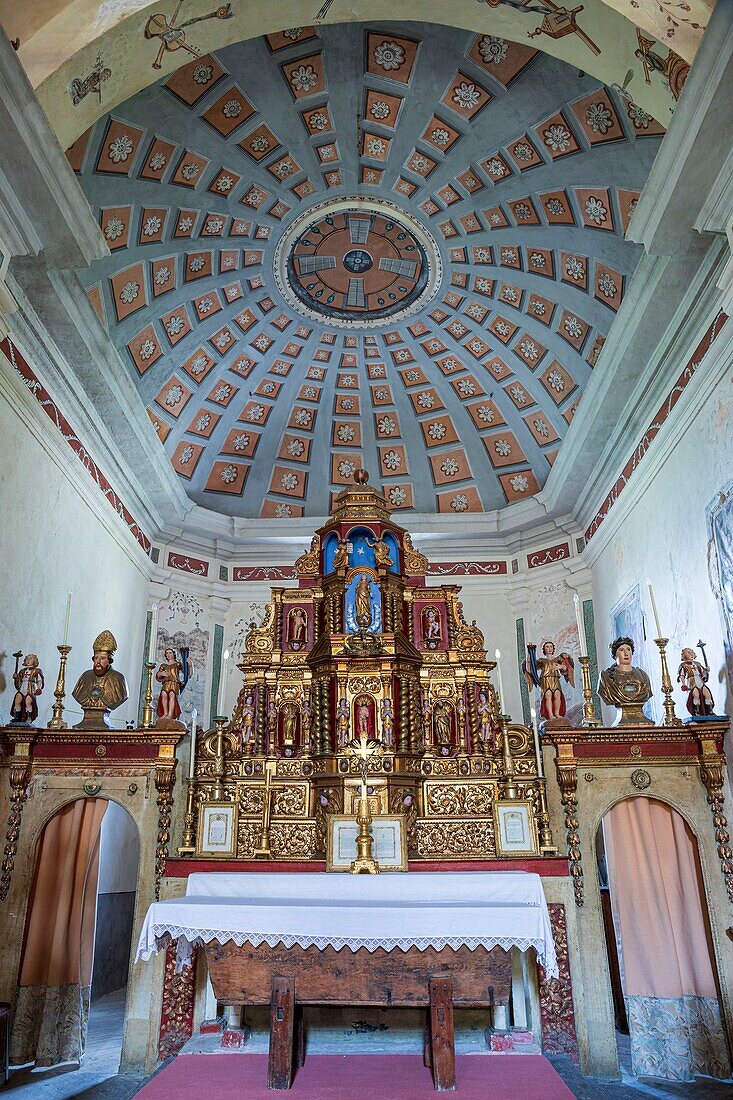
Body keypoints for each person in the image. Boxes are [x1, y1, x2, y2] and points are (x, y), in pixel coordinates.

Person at [72, 629, 129, 729]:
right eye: (96, 658)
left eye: (102, 658)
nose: (98, 661)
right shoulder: (85, 676)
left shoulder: (118, 678)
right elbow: (78, 694)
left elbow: (120, 696)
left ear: (109, 660)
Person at [598, 636, 653, 726]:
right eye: (621, 650)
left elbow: (647, 692)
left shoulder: (643, 675)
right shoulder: (606, 677)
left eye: (628, 649)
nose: (626, 653)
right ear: (615, 655)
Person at [523, 641, 574, 721]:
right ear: (544, 649)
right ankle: (550, 715)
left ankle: (557, 713)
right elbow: (530, 668)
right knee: (548, 695)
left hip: (555, 678)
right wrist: (530, 653)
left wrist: (560, 666)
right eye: (547, 647)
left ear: (553, 648)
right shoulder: (542, 660)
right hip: (545, 679)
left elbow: (566, 668)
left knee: (557, 694)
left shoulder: (558, 659)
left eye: (551, 647)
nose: (549, 648)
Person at [155, 646, 191, 720]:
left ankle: (170, 714)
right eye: (167, 653)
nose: (169, 655)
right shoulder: (163, 665)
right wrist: (162, 674)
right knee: (164, 695)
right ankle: (165, 713)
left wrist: (190, 666)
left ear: (174, 654)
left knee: (172, 695)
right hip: (166, 683)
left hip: (174, 683)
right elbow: (158, 675)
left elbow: (187, 674)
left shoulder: (177, 664)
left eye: (170, 653)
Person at [677, 647, 715, 717]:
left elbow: (703, 674)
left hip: (700, 681)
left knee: (707, 695)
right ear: (684, 655)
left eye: (692, 652)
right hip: (692, 683)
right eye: (688, 652)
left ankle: (710, 711)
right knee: (696, 696)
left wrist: (706, 671)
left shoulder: (697, 664)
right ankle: (697, 712)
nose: (691, 654)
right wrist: (683, 684)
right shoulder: (683, 665)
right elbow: (682, 675)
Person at [10, 653, 44, 724]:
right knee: (17, 701)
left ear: (34, 661)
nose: (28, 660)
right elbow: (18, 683)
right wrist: (16, 678)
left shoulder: (36, 670)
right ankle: (17, 717)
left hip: (30, 689)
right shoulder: (22, 671)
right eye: (27, 659)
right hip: (22, 688)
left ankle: (29, 717)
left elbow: (39, 680)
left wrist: (39, 688)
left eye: (30, 658)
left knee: (28, 702)